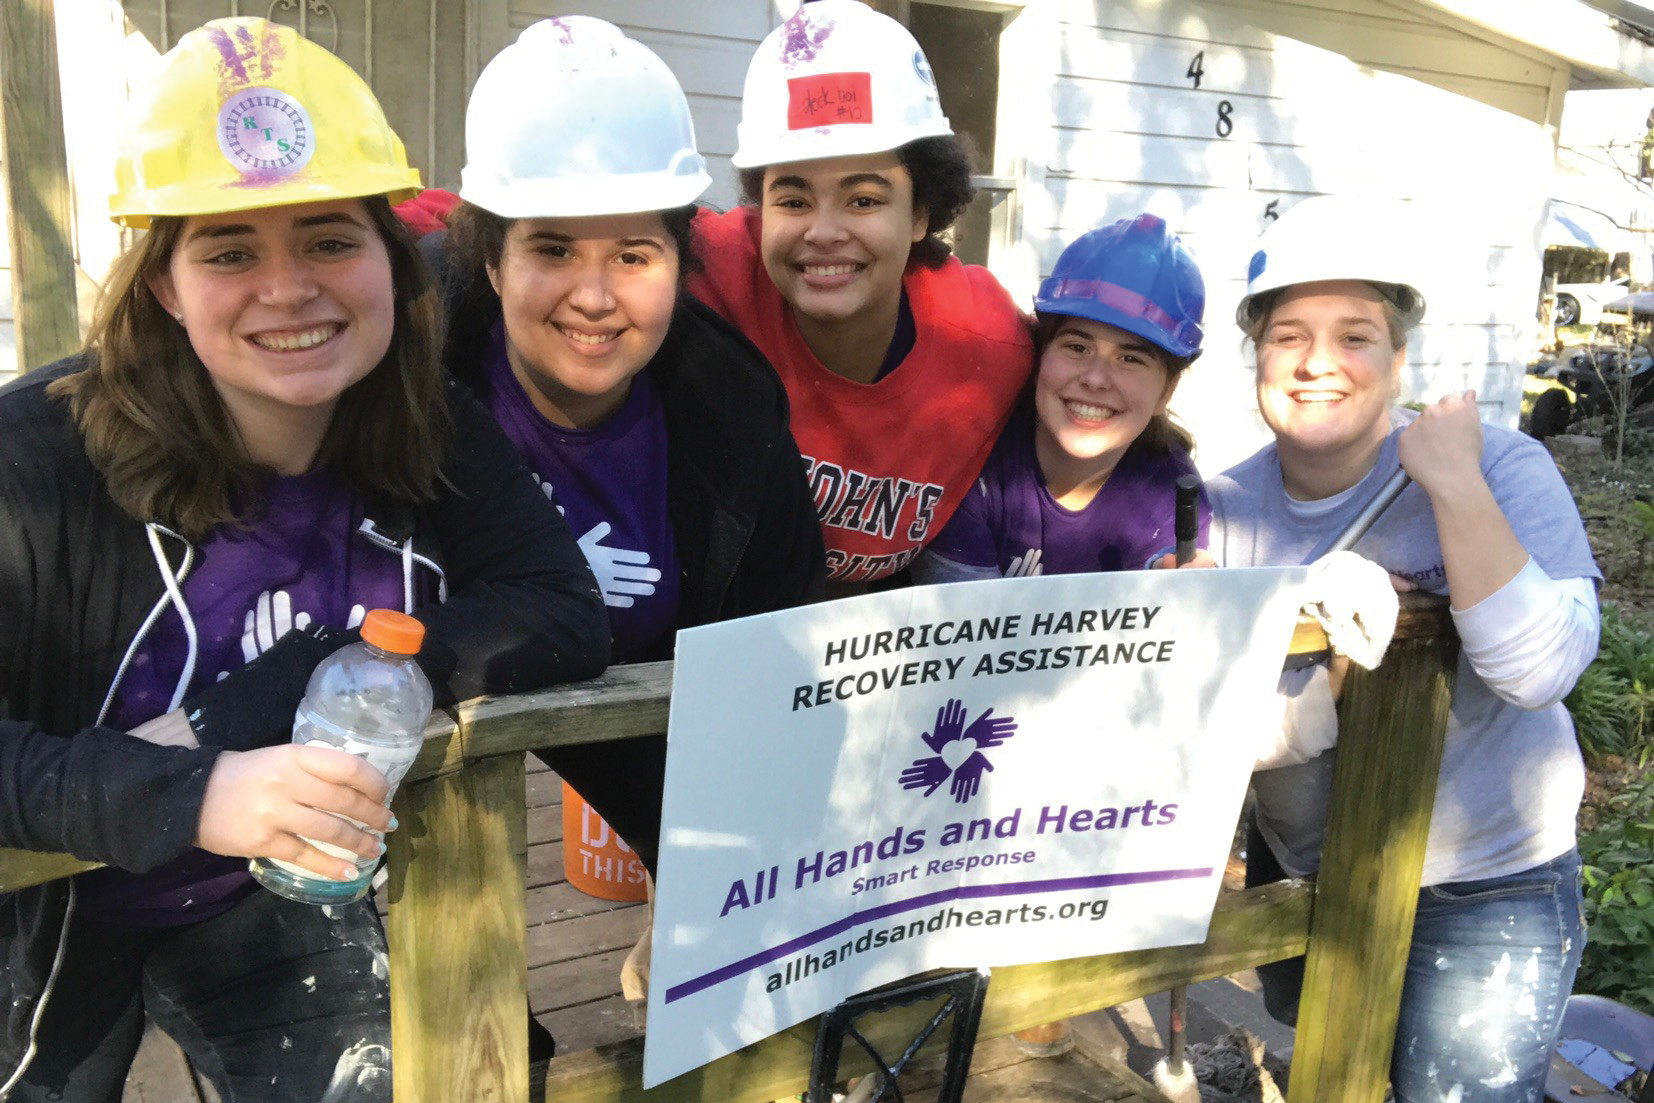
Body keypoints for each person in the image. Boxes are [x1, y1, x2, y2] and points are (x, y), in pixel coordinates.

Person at [0, 18, 608, 1101]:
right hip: (54, 898)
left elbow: (560, 609)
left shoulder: (430, 425)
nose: (288, 289)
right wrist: (190, 790)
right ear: (164, 288)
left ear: (391, 259)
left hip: (274, 898)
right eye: (230, 250)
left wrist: (299, 678)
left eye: (329, 237)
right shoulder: (29, 464)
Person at [1199, 196, 1597, 1103]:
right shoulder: (1224, 508)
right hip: (1306, 868)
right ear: (1256, 350)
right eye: (1288, 333)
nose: (1316, 364)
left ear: (1399, 357)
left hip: (1484, 886)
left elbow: (1539, 668)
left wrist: (1451, 480)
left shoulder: (1500, 466)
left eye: (1356, 336)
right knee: (1340, 1070)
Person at [437, 16, 825, 876]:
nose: (594, 296)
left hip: (641, 721)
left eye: (633, 254)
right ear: (491, 260)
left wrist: (707, 885)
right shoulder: (404, 368)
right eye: (553, 247)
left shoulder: (731, 410)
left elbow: (781, 653)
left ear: (680, 262)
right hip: (423, 744)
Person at [687, 0, 1034, 592]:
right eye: (793, 200)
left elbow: (1092, 388)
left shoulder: (989, 341)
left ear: (922, 210)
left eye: (864, 199)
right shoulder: (704, 268)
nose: (823, 233)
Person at [914, 214, 1209, 583]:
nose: (1095, 379)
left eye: (1130, 359)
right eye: (1077, 346)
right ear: (1040, 353)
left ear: (1167, 391)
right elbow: (959, 630)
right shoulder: (976, 463)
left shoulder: (1170, 494)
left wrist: (1173, 592)